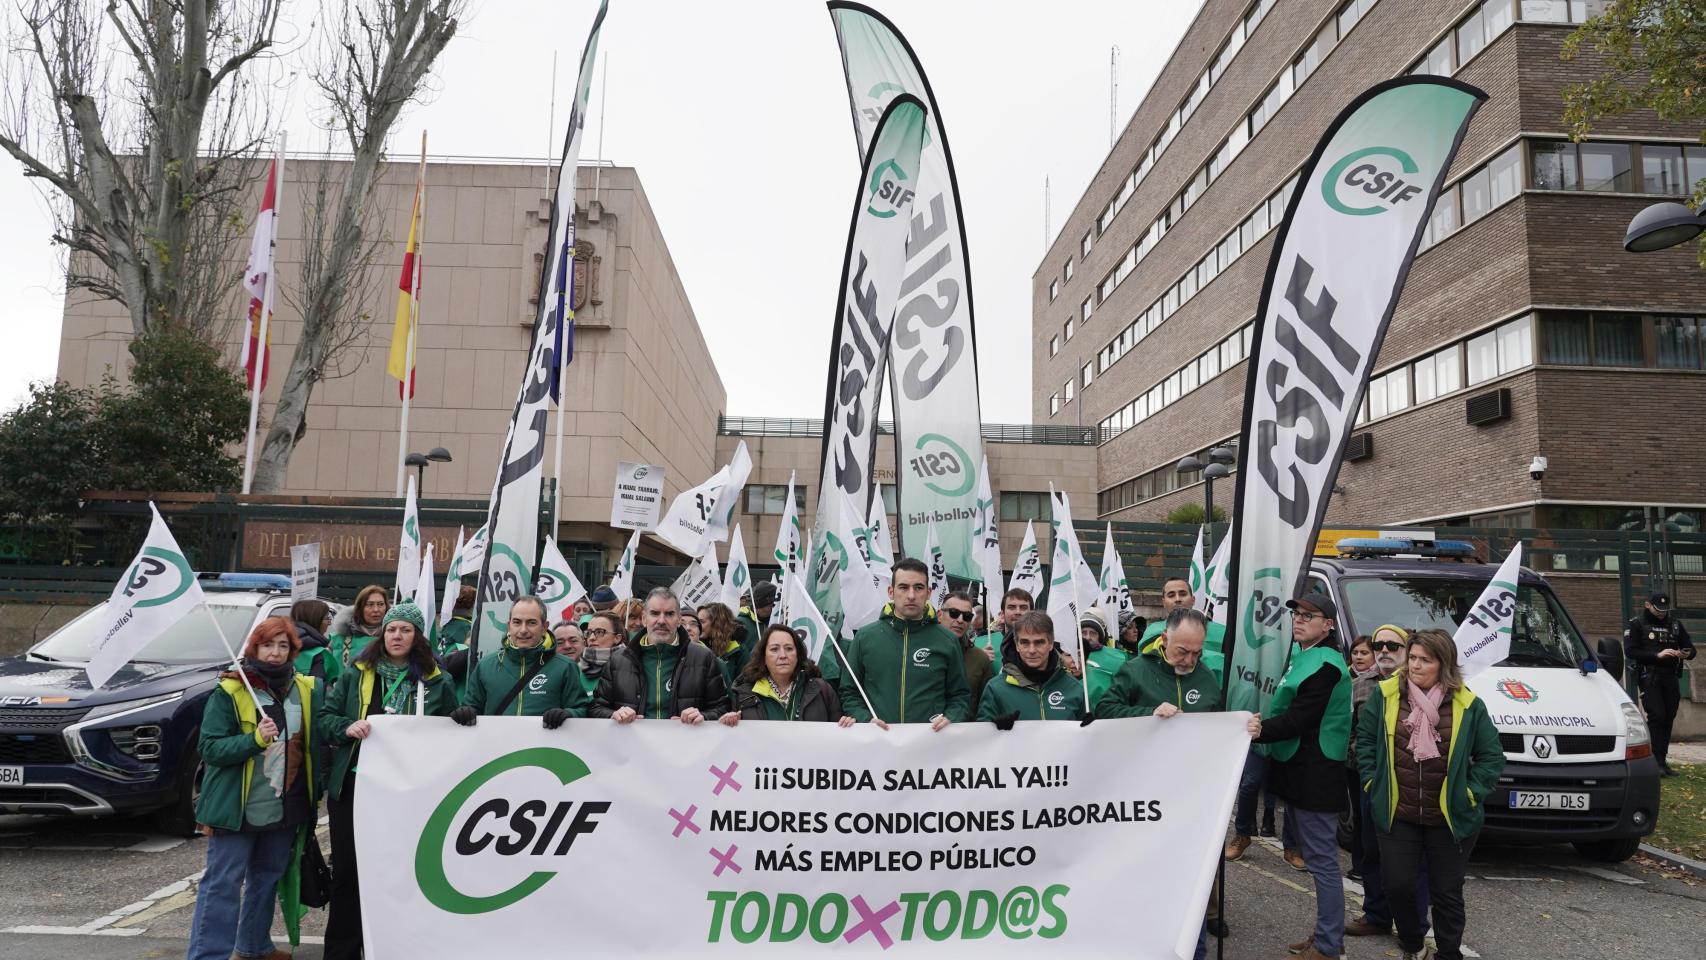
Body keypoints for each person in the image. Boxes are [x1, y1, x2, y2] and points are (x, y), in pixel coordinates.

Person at [1095, 607, 1260, 958]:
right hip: (1145, 797)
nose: (1189, 659)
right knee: (1150, 878)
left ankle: (1194, 950)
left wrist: (1245, 729)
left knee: (1192, 882)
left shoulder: (1207, 676)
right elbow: (1105, 711)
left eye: (1197, 652)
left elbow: (1221, 725)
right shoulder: (1136, 670)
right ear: (1164, 639)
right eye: (1182, 651)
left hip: (1195, 797)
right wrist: (1148, 715)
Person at [321, 601, 457, 960]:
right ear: (384, 633)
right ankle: (342, 952)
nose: (397, 636)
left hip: (409, 792)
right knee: (348, 872)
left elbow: (451, 731)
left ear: (417, 637)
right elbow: (326, 717)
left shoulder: (437, 679)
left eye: (406, 630)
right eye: (392, 629)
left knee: (402, 872)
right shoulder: (357, 671)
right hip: (354, 787)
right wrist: (345, 727)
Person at [1358, 628, 1504, 960]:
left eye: (1426, 660)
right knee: (1397, 886)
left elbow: (1492, 757)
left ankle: (1449, 954)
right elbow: (1365, 741)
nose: (1416, 666)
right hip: (1400, 814)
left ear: (1444, 664)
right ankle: (1413, 944)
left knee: (1446, 893)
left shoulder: (1468, 704)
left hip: (1449, 818)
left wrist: (1469, 794)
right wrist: (1372, 782)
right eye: (1412, 658)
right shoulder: (1386, 695)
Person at [186, 617, 325, 960]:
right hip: (237, 807)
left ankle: (254, 947)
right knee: (223, 884)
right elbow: (211, 749)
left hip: (285, 805)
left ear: (293, 651)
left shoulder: (305, 688)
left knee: (267, 879)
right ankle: (207, 956)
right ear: (254, 648)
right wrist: (254, 739)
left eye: (283, 646)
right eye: (268, 645)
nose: (275, 653)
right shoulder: (230, 690)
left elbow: (313, 744)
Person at [1251, 592, 1354, 960]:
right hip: (1299, 771)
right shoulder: (1307, 657)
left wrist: (1257, 730)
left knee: (1323, 863)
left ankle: (1328, 947)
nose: (1298, 619)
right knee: (1316, 859)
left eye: (1309, 615)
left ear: (1328, 625)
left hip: (1317, 775)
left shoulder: (1326, 665)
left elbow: (1301, 718)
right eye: (1296, 614)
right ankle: (1326, 938)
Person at [1346, 625, 1430, 940]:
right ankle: (1376, 915)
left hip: (1413, 785)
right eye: (1379, 645)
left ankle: (1416, 925)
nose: (1383, 651)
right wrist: (1367, 775)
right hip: (1375, 786)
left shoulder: (1420, 687)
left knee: (1413, 858)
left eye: (1392, 647)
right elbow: (1353, 733)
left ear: (1407, 652)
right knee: (1372, 852)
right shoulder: (1361, 685)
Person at [839, 558, 970, 729]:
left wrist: (951, 717)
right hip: (879, 742)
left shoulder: (947, 641)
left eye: (918, 587)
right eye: (903, 587)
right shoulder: (865, 637)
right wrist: (865, 719)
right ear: (891, 592)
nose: (911, 595)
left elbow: (960, 695)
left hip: (930, 743)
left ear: (929, 592)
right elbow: (849, 691)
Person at [592, 588, 731, 724]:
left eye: (669, 614)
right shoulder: (619, 660)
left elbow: (723, 708)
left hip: (684, 745)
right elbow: (596, 708)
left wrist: (702, 717)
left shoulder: (704, 657)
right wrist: (614, 714)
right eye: (655, 613)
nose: (661, 620)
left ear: (679, 620)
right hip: (632, 746)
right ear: (644, 618)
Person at [452, 596, 590, 728]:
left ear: (544, 627)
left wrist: (569, 714)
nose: (523, 630)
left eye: (531, 622)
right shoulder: (486, 665)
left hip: (545, 750)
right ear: (509, 626)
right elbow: (471, 707)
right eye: (517, 622)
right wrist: (466, 713)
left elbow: (582, 709)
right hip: (498, 750)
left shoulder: (564, 666)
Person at [1625, 590, 1696, 776]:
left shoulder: (1675, 625)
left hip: (1670, 677)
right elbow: (1631, 651)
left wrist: (1685, 653)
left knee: (1668, 717)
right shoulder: (1637, 625)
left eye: (1664, 609)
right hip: (1650, 676)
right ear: (1648, 605)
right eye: (1658, 609)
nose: (1662, 613)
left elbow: (1691, 648)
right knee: (1657, 716)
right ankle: (1653, 762)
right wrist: (1657, 655)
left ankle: (1662, 762)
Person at [721, 624, 853, 725]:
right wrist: (729, 723)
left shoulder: (822, 690)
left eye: (789, 649)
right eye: (774, 649)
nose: (783, 655)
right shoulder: (743, 694)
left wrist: (846, 724)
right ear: (763, 656)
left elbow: (838, 736)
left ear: (798, 654)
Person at [978, 611, 1084, 723]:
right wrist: (994, 730)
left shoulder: (1074, 688)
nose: (1032, 650)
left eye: (1039, 642)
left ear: (1051, 643)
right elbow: (982, 737)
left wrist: (1090, 728)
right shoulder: (996, 689)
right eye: (1024, 643)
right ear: (1017, 644)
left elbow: (1088, 738)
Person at [1141, 575, 1225, 676]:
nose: (1177, 599)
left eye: (1183, 594)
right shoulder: (1152, 631)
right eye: (1171, 595)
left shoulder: (1221, 632)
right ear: (1163, 602)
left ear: (1193, 599)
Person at [938, 590, 993, 716]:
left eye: (967, 616)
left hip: (965, 732)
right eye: (954, 613)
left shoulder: (980, 659)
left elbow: (986, 708)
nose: (960, 620)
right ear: (939, 615)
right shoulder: (920, 652)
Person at [327, 584, 387, 668]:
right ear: (360, 608)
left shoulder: (394, 638)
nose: (376, 609)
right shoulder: (339, 638)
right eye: (370, 604)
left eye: (380, 604)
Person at [973, 588, 1034, 666]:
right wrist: (978, 662)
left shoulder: (1042, 644)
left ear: (1032, 613)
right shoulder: (982, 643)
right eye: (1012, 607)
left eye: (1023, 607)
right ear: (1002, 614)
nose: (1018, 612)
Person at [1079, 612, 1127, 708]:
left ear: (1100, 636)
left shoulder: (1118, 657)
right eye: (1083, 633)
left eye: (1093, 633)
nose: (1088, 637)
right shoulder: (1069, 657)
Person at [291, 598, 340, 687]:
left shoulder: (285, 644)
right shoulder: (317, 655)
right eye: (327, 618)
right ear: (315, 620)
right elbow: (318, 692)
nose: (329, 623)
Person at [578, 612, 624, 698]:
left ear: (617, 638)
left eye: (599, 632)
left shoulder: (629, 666)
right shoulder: (577, 670)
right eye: (588, 633)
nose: (591, 638)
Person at [698, 603, 747, 682]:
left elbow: (744, 684)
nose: (697, 626)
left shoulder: (739, 651)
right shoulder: (698, 647)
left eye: (702, 622)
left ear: (716, 623)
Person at [737, 581, 778, 662]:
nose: (775, 608)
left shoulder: (777, 621)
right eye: (772, 604)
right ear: (761, 604)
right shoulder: (740, 624)